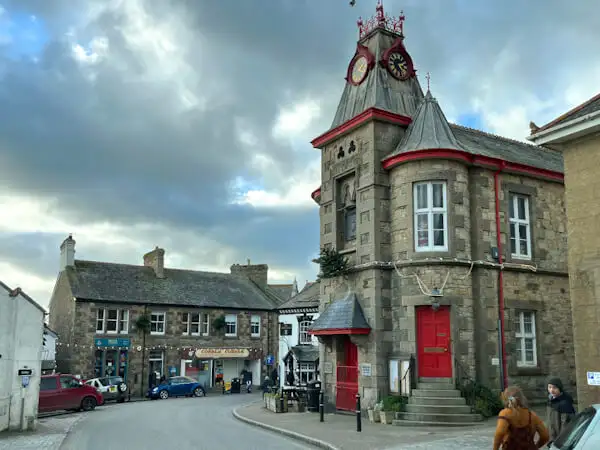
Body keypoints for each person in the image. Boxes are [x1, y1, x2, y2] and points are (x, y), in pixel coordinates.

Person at [492, 385, 549, 450]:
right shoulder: (532, 415)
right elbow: (545, 436)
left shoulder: (505, 413)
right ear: (522, 398)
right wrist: (536, 446)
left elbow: (499, 433)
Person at [546, 377, 576, 443]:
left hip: (560, 439)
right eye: (549, 387)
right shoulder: (550, 400)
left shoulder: (565, 403)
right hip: (552, 436)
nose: (551, 390)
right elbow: (550, 419)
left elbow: (566, 424)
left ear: (560, 388)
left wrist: (560, 440)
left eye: (554, 388)